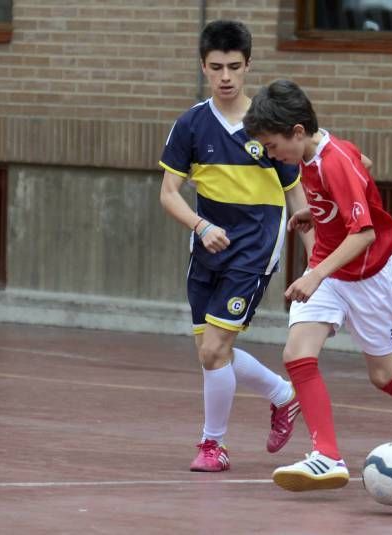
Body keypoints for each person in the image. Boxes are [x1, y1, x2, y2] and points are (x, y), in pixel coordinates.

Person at [243, 79, 392, 492]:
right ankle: (327, 456)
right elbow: (364, 163)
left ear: (297, 131)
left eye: (273, 145)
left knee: (384, 375)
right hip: (332, 272)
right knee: (297, 353)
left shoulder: (332, 160)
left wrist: (314, 274)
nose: (271, 154)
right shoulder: (313, 156)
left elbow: (364, 233)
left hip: (370, 278)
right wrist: (319, 214)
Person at [158, 21, 312, 472]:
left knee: (212, 352)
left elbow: (298, 200)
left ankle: (212, 445)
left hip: (254, 250)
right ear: (203, 67)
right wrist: (200, 225)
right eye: (216, 67)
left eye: (234, 67)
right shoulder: (190, 124)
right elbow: (169, 194)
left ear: (248, 66)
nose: (225, 76)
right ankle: (283, 396)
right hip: (206, 248)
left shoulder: (269, 128)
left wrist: (315, 263)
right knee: (212, 351)